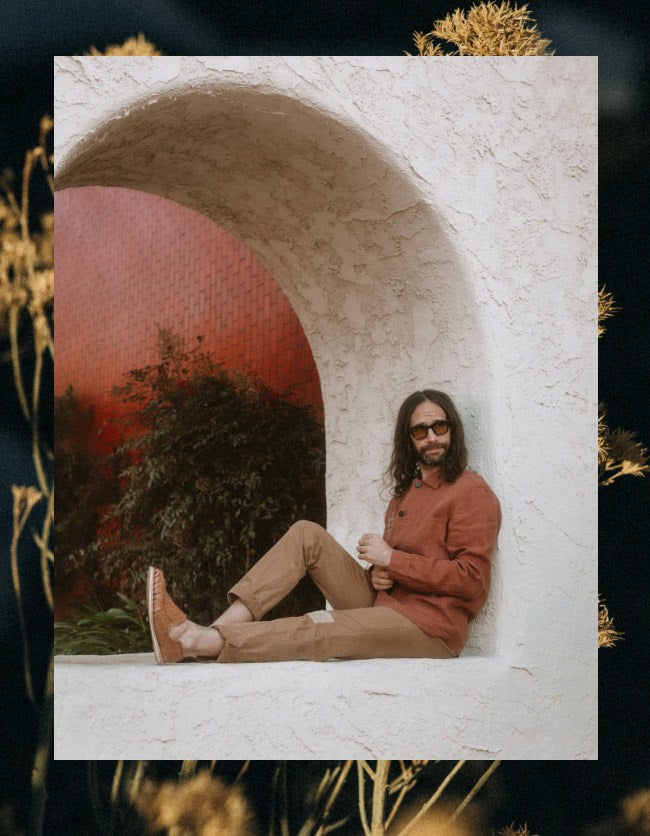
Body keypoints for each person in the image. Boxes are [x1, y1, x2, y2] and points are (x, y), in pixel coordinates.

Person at [148, 389, 501, 664]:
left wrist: (393, 561)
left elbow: (471, 580)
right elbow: (400, 564)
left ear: (453, 430)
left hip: (429, 627)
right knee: (306, 534)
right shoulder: (405, 495)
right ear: (408, 440)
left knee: (324, 626)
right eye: (420, 430)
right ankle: (221, 626)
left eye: (440, 427)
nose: (432, 437)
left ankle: (199, 641)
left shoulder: (470, 492)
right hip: (386, 604)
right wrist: (381, 573)